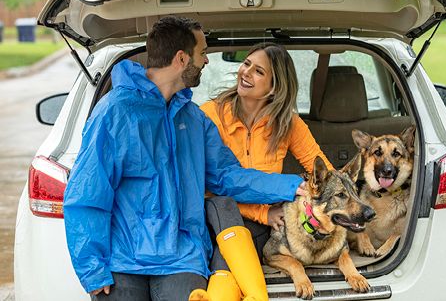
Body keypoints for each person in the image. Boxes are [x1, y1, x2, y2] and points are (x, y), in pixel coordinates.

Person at [63, 17, 306, 301]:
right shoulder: (114, 112)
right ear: (181, 58)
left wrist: (291, 186)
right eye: (202, 53)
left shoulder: (194, 120)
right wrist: (92, 268)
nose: (205, 61)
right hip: (123, 259)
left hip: (182, 257)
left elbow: (227, 176)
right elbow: (86, 194)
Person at [199, 42, 333, 256]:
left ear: (274, 87)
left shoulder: (289, 123)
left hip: (261, 225)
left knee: (232, 253)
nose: (246, 72)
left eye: (258, 71)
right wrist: (264, 214)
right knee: (225, 242)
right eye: (246, 63)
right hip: (213, 217)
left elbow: (327, 176)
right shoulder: (209, 115)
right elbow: (206, 189)